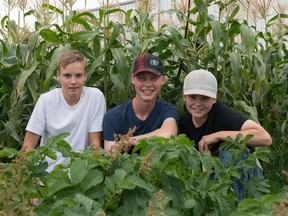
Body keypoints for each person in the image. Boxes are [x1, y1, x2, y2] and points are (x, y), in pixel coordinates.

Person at [178, 69, 272, 199]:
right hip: (212, 178)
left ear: (215, 97)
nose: (198, 103)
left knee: (230, 151)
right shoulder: (184, 122)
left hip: (243, 177)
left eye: (205, 98)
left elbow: (265, 138)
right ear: (183, 96)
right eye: (192, 97)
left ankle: (237, 207)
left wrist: (218, 135)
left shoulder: (222, 114)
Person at [22, 50, 106, 173]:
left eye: (78, 75)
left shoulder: (95, 97)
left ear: (85, 76)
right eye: (67, 76)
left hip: (80, 174)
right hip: (48, 175)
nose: (73, 81)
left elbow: (95, 145)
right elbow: (28, 147)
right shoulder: (46, 101)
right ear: (58, 75)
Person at [103, 53, 178, 153]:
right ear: (133, 79)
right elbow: (110, 152)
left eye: (154, 78)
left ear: (162, 80)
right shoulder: (114, 116)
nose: (148, 84)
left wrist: (128, 140)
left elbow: (169, 134)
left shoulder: (167, 110)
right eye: (142, 78)